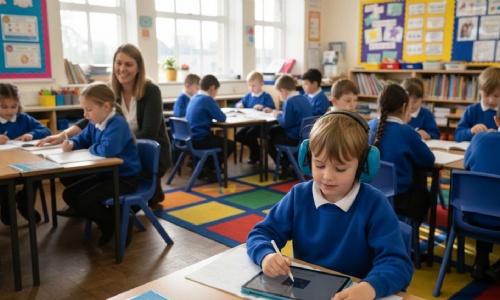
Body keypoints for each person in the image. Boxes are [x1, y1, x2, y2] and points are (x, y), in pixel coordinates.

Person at [246, 111, 413, 299]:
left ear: (363, 166)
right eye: (319, 165)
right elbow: (261, 234)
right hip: (307, 292)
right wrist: (266, 255)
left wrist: (369, 288)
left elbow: (398, 264)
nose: (327, 176)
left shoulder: (375, 204)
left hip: (353, 293)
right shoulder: (299, 196)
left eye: (340, 168)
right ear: (308, 160)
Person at [38, 43, 171, 211]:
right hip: (119, 152)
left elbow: (148, 133)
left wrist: (116, 143)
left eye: (128, 64)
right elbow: (89, 119)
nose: (122, 68)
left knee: (122, 203)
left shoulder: (151, 91)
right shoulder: (109, 91)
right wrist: (64, 135)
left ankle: (109, 205)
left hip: (148, 154)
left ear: (139, 68)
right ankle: (87, 207)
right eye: (118, 63)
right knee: (76, 178)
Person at [61, 83, 141, 245]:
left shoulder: (117, 123)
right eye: (84, 109)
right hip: (106, 174)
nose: (85, 114)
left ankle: (113, 225)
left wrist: (91, 148)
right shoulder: (95, 123)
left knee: (85, 201)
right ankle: (114, 220)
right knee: (69, 194)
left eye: (88, 110)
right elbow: (82, 138)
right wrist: (73, 144)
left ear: (105, 107)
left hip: (125, 178)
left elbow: (108, 149)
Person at [368, 84, 435, 227]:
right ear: (404, 107)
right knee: (425, 195)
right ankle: (408, 236)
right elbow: (428, 160)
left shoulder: (366, 127)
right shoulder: (407, 132)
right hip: (399, 199)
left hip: (367, 193)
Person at [0, 83, 51, 225]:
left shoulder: (23, 118)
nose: (9, 111)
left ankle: (25, 204)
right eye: (4, 107)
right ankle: (7, 207)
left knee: (36, 173)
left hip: (24, 162)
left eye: (13, 106)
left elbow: (46, 131)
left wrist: (31, 134)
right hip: (2, 168)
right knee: (5, 182)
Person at [463, 103, 500, 283]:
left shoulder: (479, 139)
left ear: (496, 119)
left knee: (487, 196)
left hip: (473, 215)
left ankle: (480, 261)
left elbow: (467, 165)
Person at [185, 74, 234, 181]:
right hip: (200, 140)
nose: (216, 94)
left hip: (190, 139)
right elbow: (222, 117)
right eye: (216, 91)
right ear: (212, 88)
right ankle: (208, 167)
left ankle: (202, 165)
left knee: (216, 140)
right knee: (230, 145)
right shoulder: (207, 99)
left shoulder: (194, 98)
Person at [269, 74, 313, 179]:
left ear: (283, 91)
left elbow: (285, 123)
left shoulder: (289, 101)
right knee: (274, 132)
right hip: (304, 136)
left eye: (279, 93)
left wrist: (278, 114)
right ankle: (288, 164)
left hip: (293, 138)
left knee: (268, 140)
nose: (280, 96)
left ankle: (284, 165)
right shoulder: (304, 98)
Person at [235, 70, 275, 164]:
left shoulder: (266, 96)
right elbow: (239, 103)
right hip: (250, 123)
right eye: (249, 85)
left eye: (253, 85)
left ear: (261, 84)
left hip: (263, 125)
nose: (251, 88)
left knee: (250, 135)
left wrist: (263, 107)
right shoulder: (248, 95)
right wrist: (239, 105)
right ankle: (257, 151)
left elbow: (272, 109)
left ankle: (255, 155)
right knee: (238, 136)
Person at [454, 67, 500, 142]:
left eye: (497, 96)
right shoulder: (471, 110)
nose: (491, 100)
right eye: (487, 95)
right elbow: (457, 135)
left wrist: (496, 135)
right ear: (479, 90)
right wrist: (471, 131)